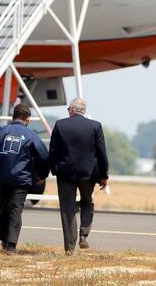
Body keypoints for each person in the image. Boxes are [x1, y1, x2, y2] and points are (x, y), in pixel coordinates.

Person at [0, 104, 49, 254]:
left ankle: (3, 240)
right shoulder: (31, 135)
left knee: (3, 207)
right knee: (15, 209)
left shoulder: (0, 132)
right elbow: (43, 156)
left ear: (13, 116)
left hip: (2, 178)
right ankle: (11, 245)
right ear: (27, 119)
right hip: (21, 180)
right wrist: (42, 175)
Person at [48, 97, 108, 255]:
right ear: (84, 110)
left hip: (65, 173)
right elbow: (102, 153)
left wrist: (52, 169)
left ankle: (69, 247)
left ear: (72, 110)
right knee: (87, 202)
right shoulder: (95, 126)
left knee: (67, 208)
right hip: (88, 174)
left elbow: (53, 150)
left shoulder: (60, 125)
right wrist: (104, 175)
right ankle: (84, 235)